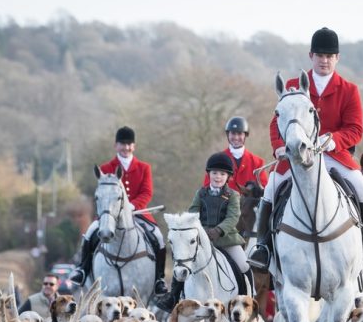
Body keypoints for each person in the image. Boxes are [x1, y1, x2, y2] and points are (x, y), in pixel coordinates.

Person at [248, 26, 363, 281]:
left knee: (362, 188)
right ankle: (263, 247)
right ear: (311, 56)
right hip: (297, 155)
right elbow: (276, 121)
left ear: (337, 58)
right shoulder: (292, 85)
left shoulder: (349, 89)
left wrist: (333, 140)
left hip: (334, 154)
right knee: (271, 187)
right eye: (320, 55)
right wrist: (279, 144)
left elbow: (355, 129)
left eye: (329, 56)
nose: (324, 60)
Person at [69, 126, 167, 293]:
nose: (126, 147)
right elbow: (101, 193)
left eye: (129, 144)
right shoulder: (106, 168)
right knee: (90, 233)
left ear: (134, 146)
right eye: (122, 144)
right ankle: (83, 269)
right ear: (116, 146)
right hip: (110, 214)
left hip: (138, 212)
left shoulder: (144, 167)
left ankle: (159, 279)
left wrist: (132, 205)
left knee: (158, 237)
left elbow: (147, 192)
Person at [159, 152, 253, 312]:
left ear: (228, 177)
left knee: (244, 266)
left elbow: (233, 217)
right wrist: (201, 231)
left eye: (222, 174)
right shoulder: (200, 194)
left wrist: (218, 230)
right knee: (182, 263)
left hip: (227, 240)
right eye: (215, 173)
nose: (218, 177)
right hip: (202, 241)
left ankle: (248, 298)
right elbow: (192, 214)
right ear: (209, 174)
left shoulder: (233, 195)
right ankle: (173, 296)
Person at [203, 116, 269, 193]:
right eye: (233, 133)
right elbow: (206, 187)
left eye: (240, 133)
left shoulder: (257, 162)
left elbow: (264, 189)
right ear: (228, 135)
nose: (236, 137)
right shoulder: (217, 160)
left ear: (245, 135)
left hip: (248, 204)